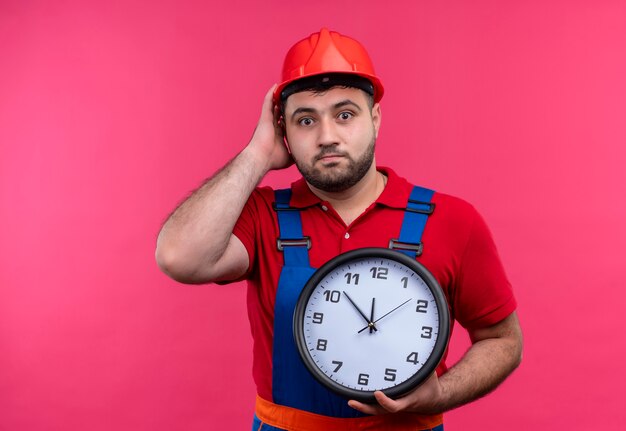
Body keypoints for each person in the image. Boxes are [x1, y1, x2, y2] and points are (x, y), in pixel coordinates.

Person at [156, 28, 523, 431]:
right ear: (284, 133)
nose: (327, 136)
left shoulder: (452, 219)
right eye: (305, 120)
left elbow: (502, 341)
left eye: (344, 114)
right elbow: (179, 257)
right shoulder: (262, 216)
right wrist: (256, 153)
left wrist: (442, 393)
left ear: (375, 119)